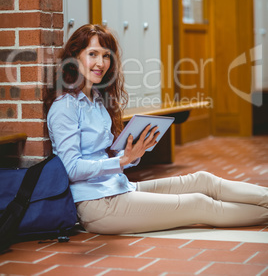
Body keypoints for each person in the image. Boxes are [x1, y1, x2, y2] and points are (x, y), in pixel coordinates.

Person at [45, 24, 268, 235]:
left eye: (106, 56)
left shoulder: (96, 99)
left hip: (119, 187)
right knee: (198, 205)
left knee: (203, 180)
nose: (101, 63)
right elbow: (71, 168)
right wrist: (120, 162)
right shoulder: (65, 107)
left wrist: (133, 154)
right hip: (96, 205)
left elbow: (107, 156)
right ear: (75, 58)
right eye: (92, 54)